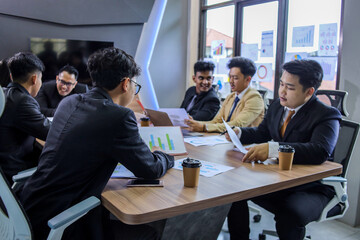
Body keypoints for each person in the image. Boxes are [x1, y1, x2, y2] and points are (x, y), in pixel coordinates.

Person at [19, 47, 175, 240]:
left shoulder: (69, 102)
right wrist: (164, 156)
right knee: (148, 234)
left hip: (28, 210)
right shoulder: (119, 117)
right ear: (126, 83)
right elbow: (150, 169)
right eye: (135, 85)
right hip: (61, 223)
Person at [226, 59, 342, 240]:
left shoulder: (326, 115)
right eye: (281, 84)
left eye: (290, 87)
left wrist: (273, 149)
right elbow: (262, 132)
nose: (282, 91)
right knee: (234, 192)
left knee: (290, 214)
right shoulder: (278, 106)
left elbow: (319, 151)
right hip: (281, 180)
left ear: (309, 92)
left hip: (312, 187)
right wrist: (240, 133)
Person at [0, 52, 50, 183]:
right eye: (41, 79)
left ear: (11, 76)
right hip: (15, 172)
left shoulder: (4, 94)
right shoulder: (22, 101)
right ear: (34, 79)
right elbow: (50, 132)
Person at [185, 57, 264, 133]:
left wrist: (204, 127)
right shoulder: (231, 97)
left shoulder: (254, 98)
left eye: (235, 78)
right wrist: (194, 123)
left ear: (248, 79)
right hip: (225, 139)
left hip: (246, 144)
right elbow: (216, 121)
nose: (231, 81)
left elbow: (238, 124)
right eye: (230, 77)